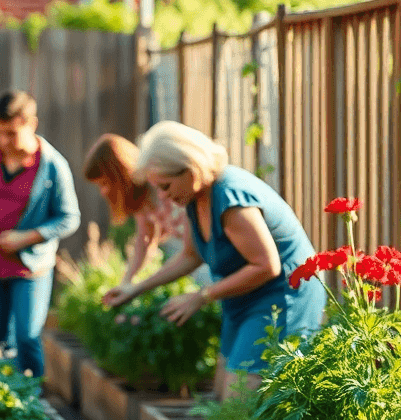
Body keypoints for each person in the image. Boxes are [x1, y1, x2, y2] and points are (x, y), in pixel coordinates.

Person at [105, 121, 326, 397]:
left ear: (191, 169)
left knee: (239, 398)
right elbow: (190, 256)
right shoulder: (195, 198)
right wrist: (135, 289)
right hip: (242, 297)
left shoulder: (231, 200)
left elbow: (266, 265)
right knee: (221, 396)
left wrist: (201, 296)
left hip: (281, 296)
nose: (163, 196)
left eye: (165, 186)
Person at [0, 90, 80, 375]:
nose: (3, 141)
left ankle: (33, 394)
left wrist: (27, 237)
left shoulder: (52, 165)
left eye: (11, 133)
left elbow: (69, 218)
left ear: (31, 124)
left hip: (30, 266)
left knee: (27, 336)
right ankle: (4, 391)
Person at [80, 133, 185, 305]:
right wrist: (125, 282)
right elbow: (144, 240)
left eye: (104, 183)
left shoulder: (159, 187)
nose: (103, 192)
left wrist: (138, 286)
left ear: (119, 175)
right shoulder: (140, 199)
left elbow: (189, 252)